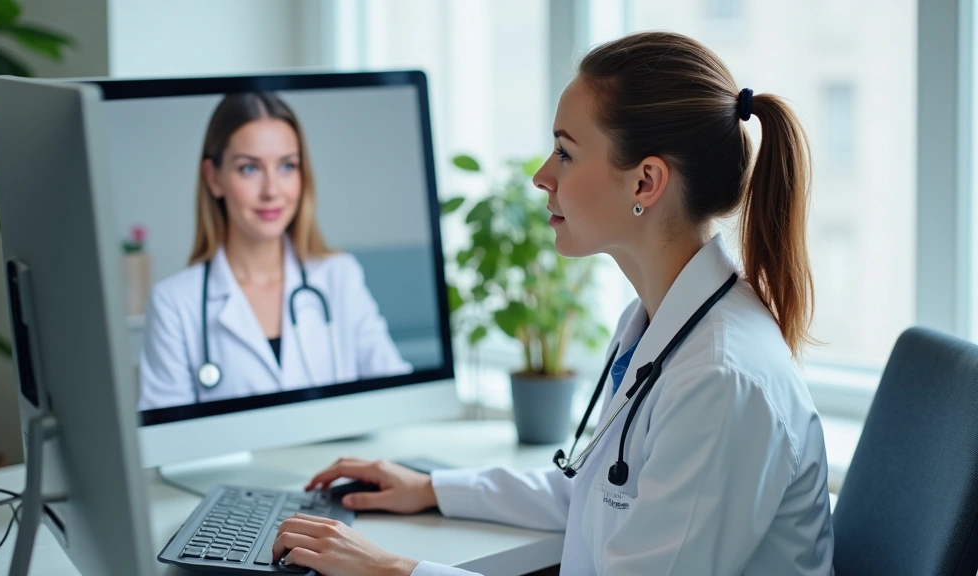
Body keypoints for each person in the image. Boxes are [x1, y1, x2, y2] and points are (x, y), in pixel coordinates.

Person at [270, 31, 834, 576]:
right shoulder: (660, 323)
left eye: (565, 152)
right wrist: (429, 488)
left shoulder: (719, 380)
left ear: (645, 182)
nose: (542, 176)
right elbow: (598, 493)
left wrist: (393, 571)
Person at [138, 92, 411, 410]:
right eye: (249, 169)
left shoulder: (339, 275)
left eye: (287, 166)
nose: (271, 191)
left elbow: (398, 397)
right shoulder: (174, 304)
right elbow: (166, 440)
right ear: (214, 179)